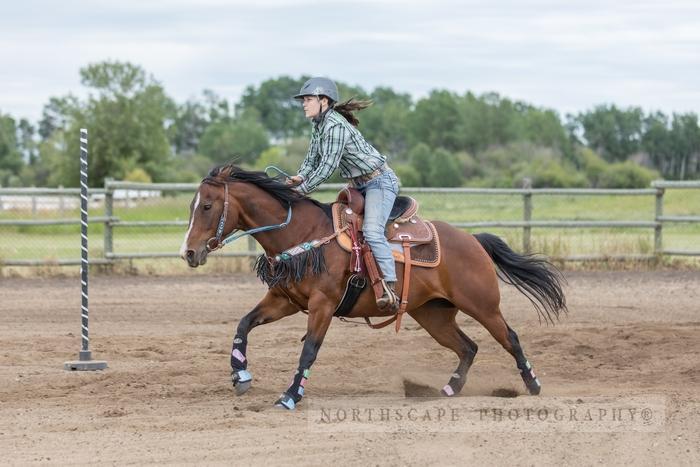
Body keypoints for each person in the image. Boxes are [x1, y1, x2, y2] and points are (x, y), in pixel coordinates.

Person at [287, 77, 400, 312]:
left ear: (324, 101)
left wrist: (302, 191)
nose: (304, 104)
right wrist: (300, 176)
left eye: (308, 99)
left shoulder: (335, 126)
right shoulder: (319, 124)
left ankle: (390, 285)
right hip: (359, 185)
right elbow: (312, 159)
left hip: (379, 183)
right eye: (304, 100)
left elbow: (328, 166)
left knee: (371, 230)